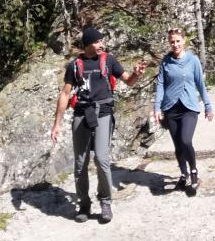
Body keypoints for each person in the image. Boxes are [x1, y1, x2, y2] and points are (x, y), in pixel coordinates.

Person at [51, 26, 146, 224]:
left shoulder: (109, 60)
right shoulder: (75, 65)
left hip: (103, 114)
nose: (101, 44)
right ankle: (84, 204)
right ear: (87, 45)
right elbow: (65, 94)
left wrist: (136, 73)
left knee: (102, 160)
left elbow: (128, 80)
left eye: (102, 41)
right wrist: (57, 124)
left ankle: (105, 202)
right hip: (81, 115)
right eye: (97, 41)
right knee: (80, 164)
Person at [153, 27, 213, 194]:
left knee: (186, 141)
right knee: (178, 145)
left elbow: (200, 84)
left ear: (183, 41)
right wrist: (157, 107)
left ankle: (193, 172)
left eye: (178, 41)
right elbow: (160, 85)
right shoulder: (166, 62)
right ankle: (183, 174)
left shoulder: (193, 61)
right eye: (172, 41)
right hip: (171, 108)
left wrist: (208, 106)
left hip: (189, 107)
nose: (175, 44)